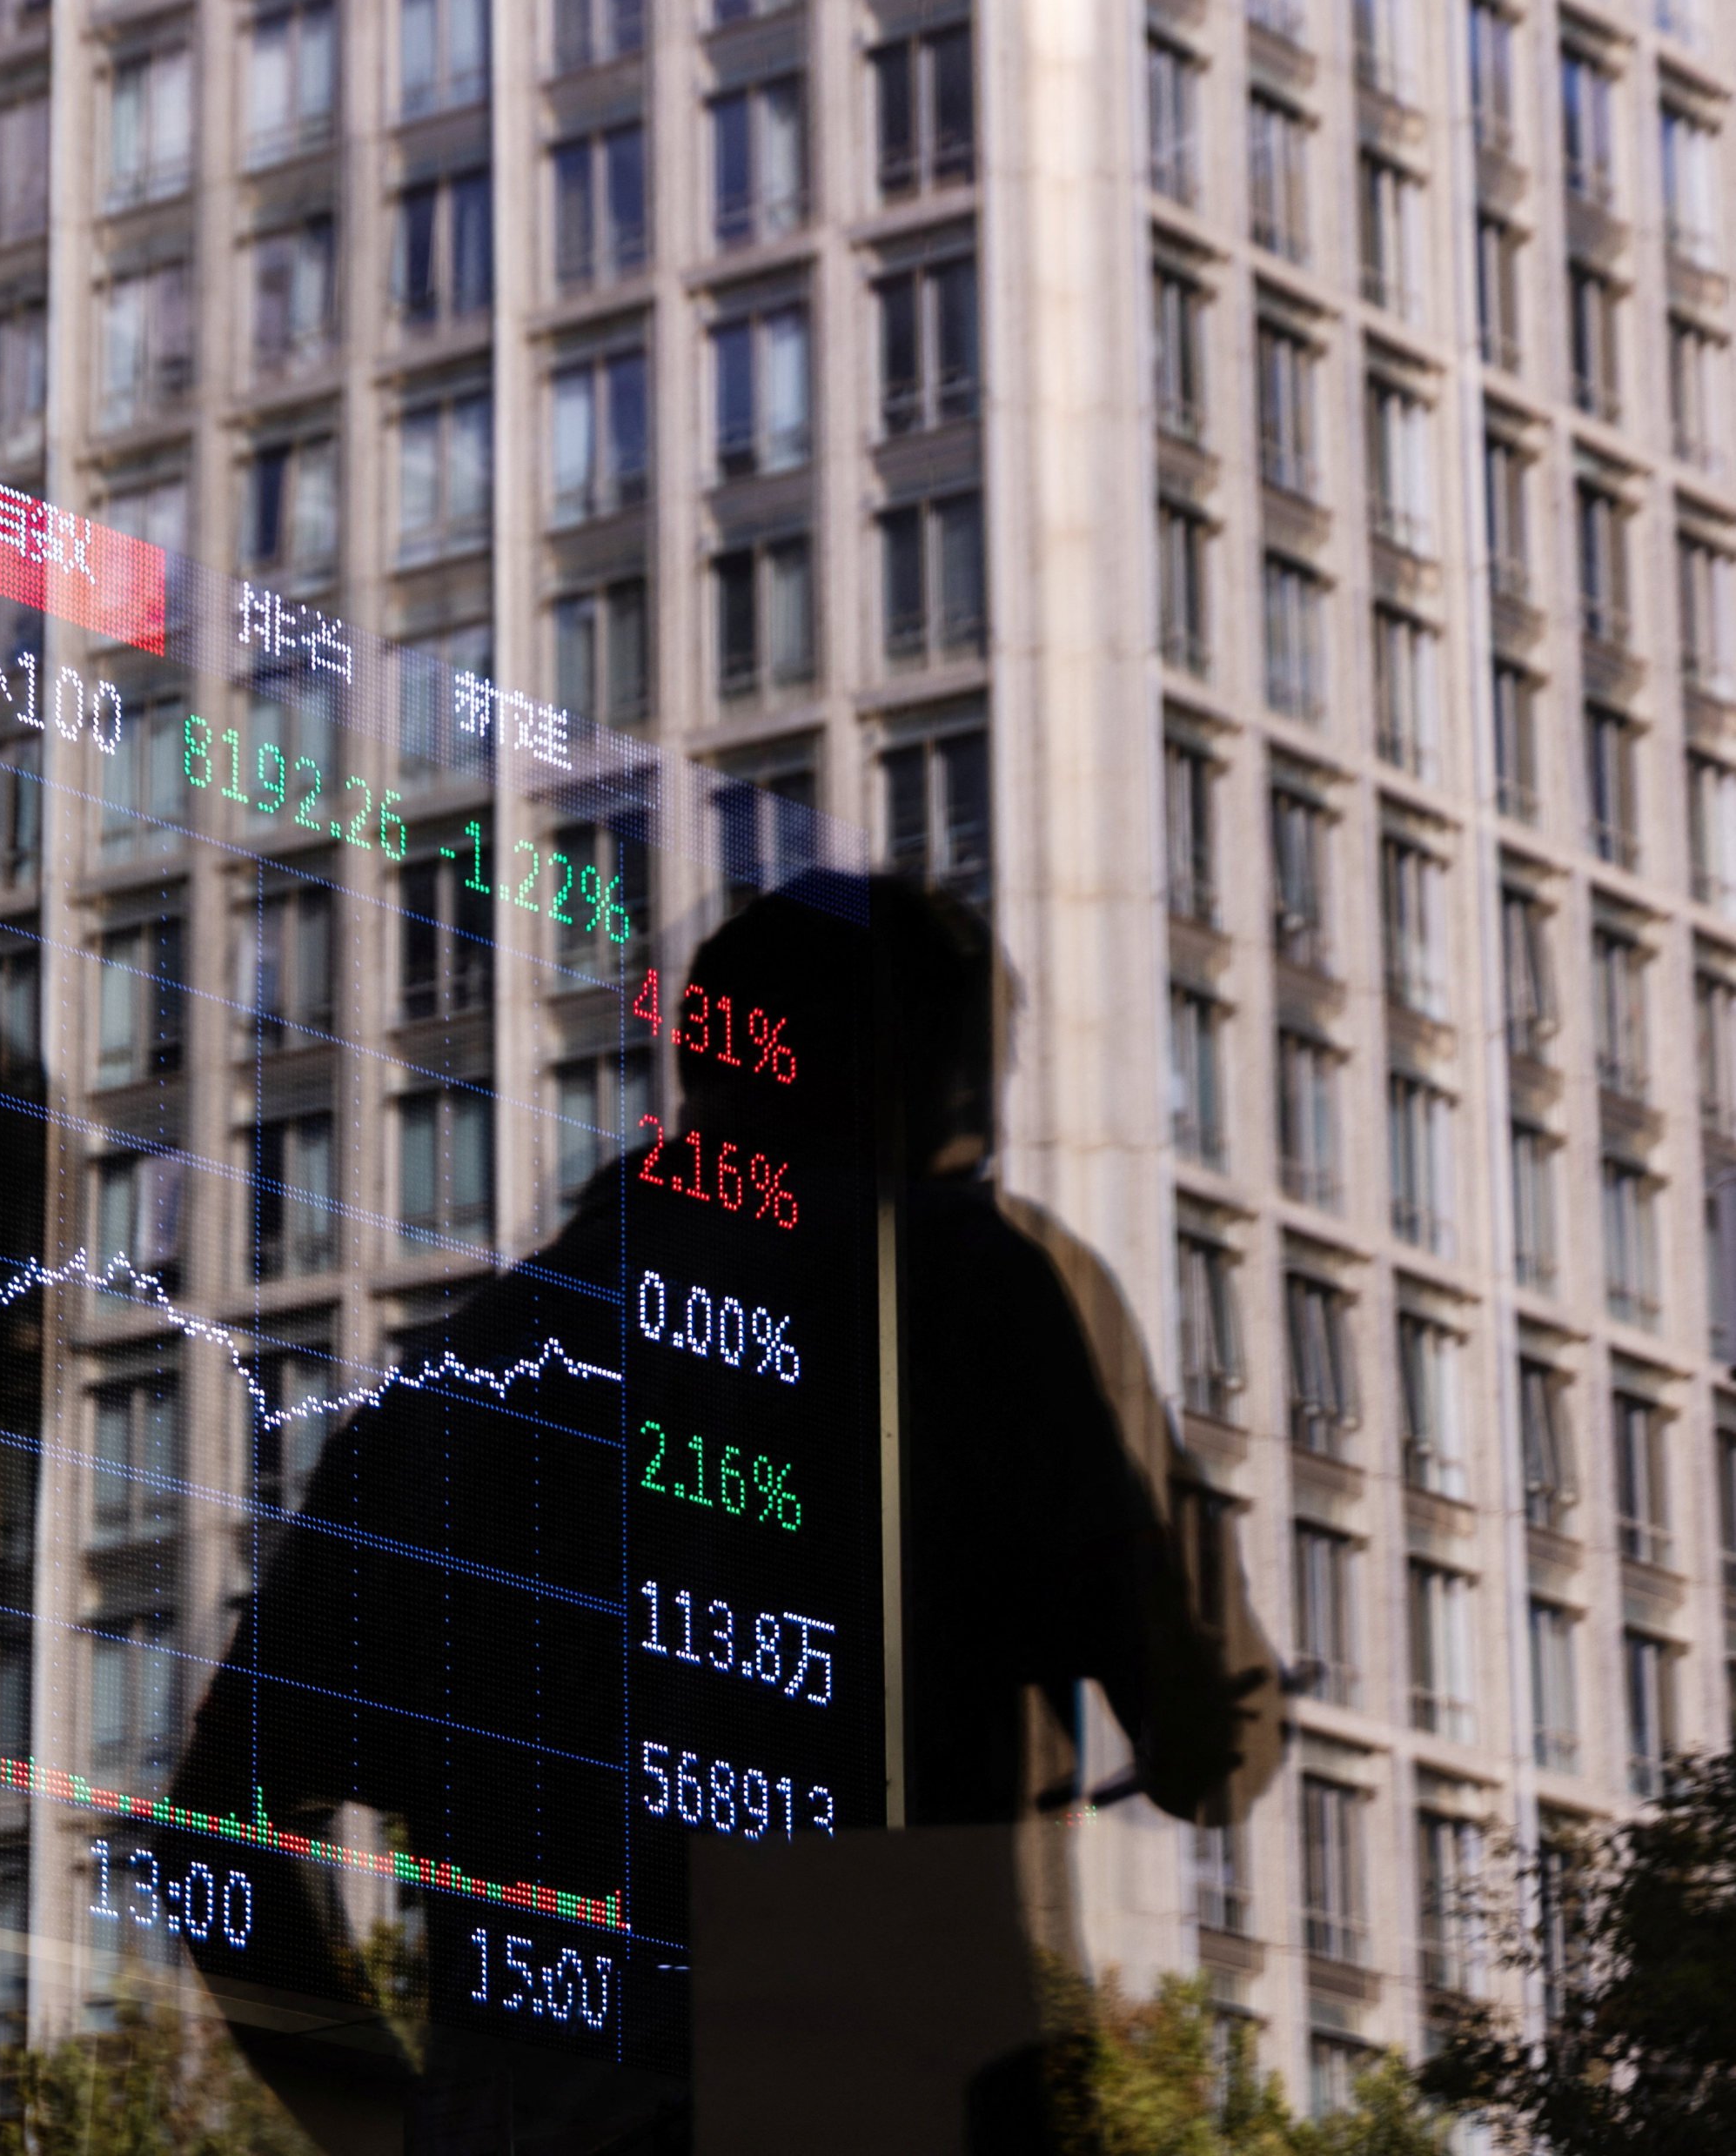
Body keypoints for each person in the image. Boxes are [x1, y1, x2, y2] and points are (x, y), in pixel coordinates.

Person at [169, 876, 1277, 2154]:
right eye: (973, 1107)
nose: (976, 1154)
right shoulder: (968, 1290)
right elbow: (1209, 1749)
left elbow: (217, 1836)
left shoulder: (462, 1387)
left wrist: (404, 2134)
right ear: (905, 1087)